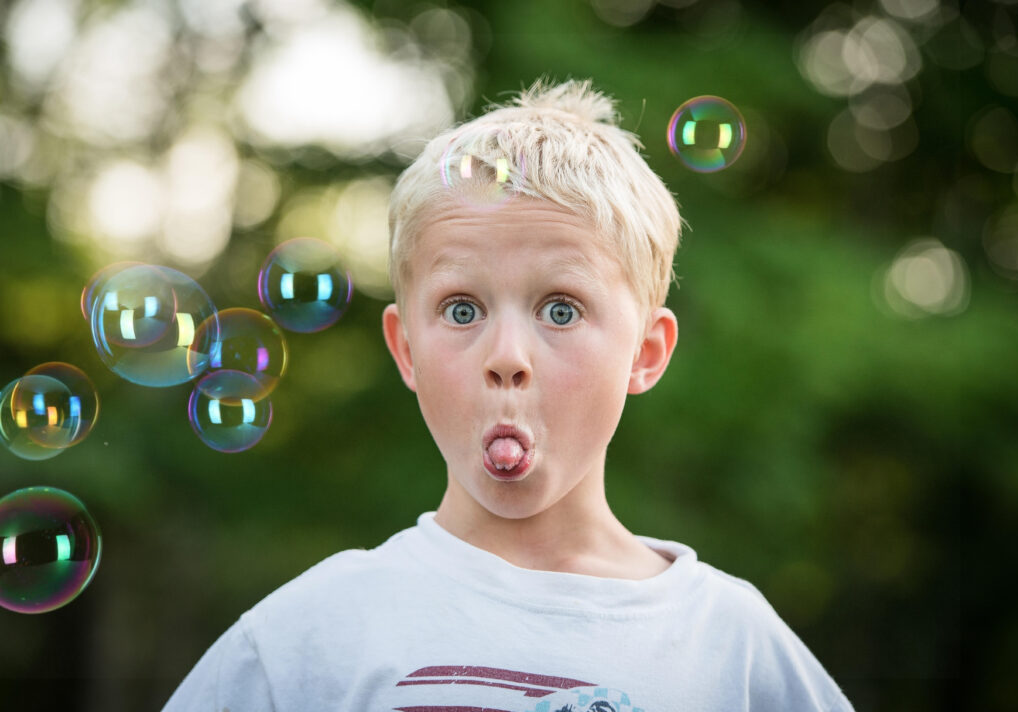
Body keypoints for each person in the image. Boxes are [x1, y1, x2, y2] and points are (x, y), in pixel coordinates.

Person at [162, 78, 855, 711]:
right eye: (462, 310)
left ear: (645, 353)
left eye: (561, 309)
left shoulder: (732, 647)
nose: (507, 358)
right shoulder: (304, 642)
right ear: (407, 350)